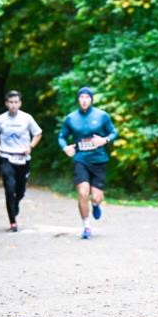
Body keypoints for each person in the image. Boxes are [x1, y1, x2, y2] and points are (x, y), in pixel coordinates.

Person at [58, 87, 118, 239]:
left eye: (87, 97)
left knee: (96, 197)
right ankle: (86, 226)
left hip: (98, 160)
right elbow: (62, 136)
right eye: (81, 97)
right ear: (78, 100)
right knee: (82, 193)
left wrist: (104, 140)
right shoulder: (71, 118)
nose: (84, 100)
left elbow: (114, 132)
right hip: (81, 160)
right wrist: (65, 147)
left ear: (91, 99)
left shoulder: (102, 115)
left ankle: (96, 205)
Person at [0, 91, 43, 232]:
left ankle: (16, 202)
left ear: (20, 103)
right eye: (10, 102)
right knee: (9, 187)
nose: (13, 105)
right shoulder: (0, 119)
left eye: (16, 102)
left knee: (20, 190)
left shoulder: (27, 118)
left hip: (23, 157)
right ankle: (12, 221)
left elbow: (38, 133)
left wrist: (30, 146)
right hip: (6, 156)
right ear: (6, 103)